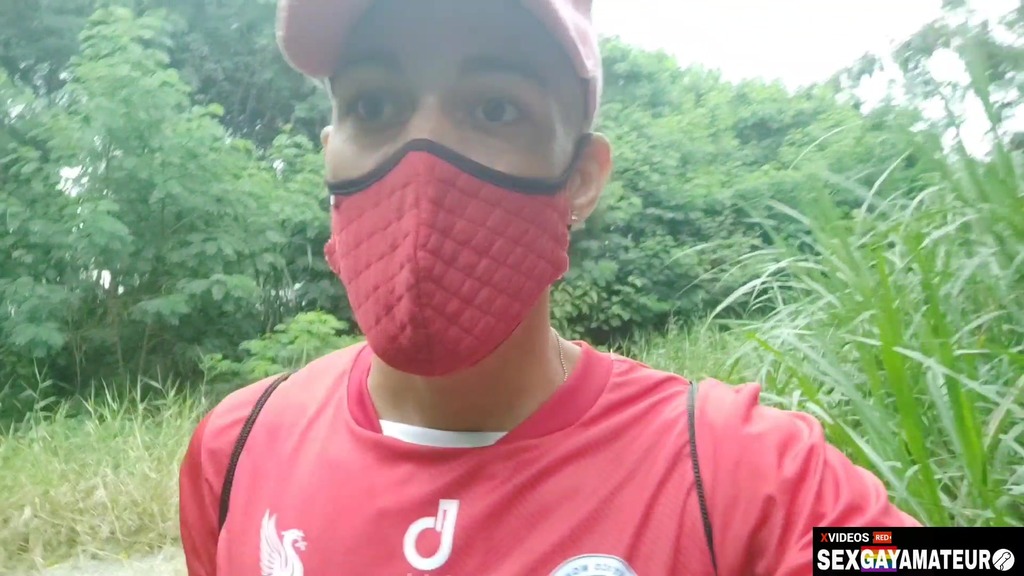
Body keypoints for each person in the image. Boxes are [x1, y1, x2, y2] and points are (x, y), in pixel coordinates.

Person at [178, 1, 921, 574]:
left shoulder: (742, 475)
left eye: (495, 108)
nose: (422, 157)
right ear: (328, 152)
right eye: (372, 105)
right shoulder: (236, 449)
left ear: (582, 178)